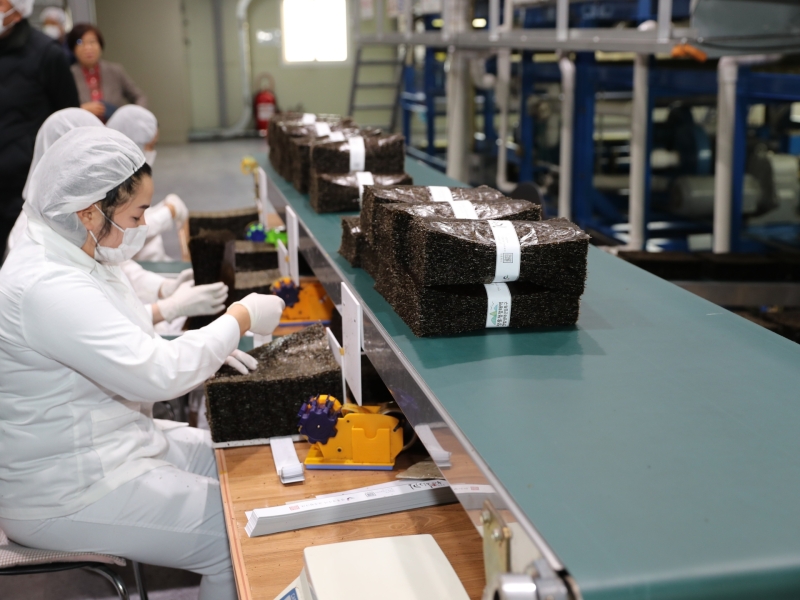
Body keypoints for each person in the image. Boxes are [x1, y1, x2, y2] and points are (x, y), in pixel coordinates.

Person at [0, 127, 285, 600]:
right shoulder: (45, 285)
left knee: (241, 461)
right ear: (89, 210)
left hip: (114, 443)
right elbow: (155, 373)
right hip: (65, 490)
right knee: (237, 533)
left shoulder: (76, 249)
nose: (143, 225)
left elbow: (129, 344)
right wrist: (240, 317)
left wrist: (201, 344)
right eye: (136, 214)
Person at [5, 108, 228, 334]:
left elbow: (114, 268)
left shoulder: (74, 222)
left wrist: (163, 288)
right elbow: (101, 325)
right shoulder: (38, 237)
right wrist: (169, 308)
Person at [0, 0, 79, 258]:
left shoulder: (46, 54)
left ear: (18, 9)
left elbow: (68, 119)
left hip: (24, 187)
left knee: (18, 259)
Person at [107, 104, 187, 262]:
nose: (152, 152)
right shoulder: (108, 181)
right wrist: (168, 211)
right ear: (133, 143)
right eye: (151, 146)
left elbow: (137, 217)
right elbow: (123, 231)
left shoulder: (128, 174)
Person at [67, 23, 146, 122]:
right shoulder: (68, 75)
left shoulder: (115, 71)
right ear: (73, 49)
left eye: (92, 42)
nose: (88, 47)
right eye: (80, 42)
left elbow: (139, 97)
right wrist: (81, 109)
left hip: (115, 128)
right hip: (83, 128)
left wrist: (133, 118)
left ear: (100, 45)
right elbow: (61, 109)